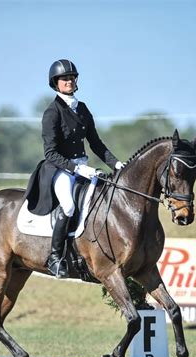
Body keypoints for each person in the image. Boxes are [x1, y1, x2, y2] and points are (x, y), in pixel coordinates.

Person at [24, 59, 125, 278]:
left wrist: (117, 164)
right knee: (69, 206)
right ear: (56, 83)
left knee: (99, 199)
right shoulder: (52, 112)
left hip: (83, 166)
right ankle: (55, 257)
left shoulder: (82, 108)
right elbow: (50, 153)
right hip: (59, 169)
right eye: (64, 78)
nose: (68, 81)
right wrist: (77, 169)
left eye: (71, 77)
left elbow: (96, 143)